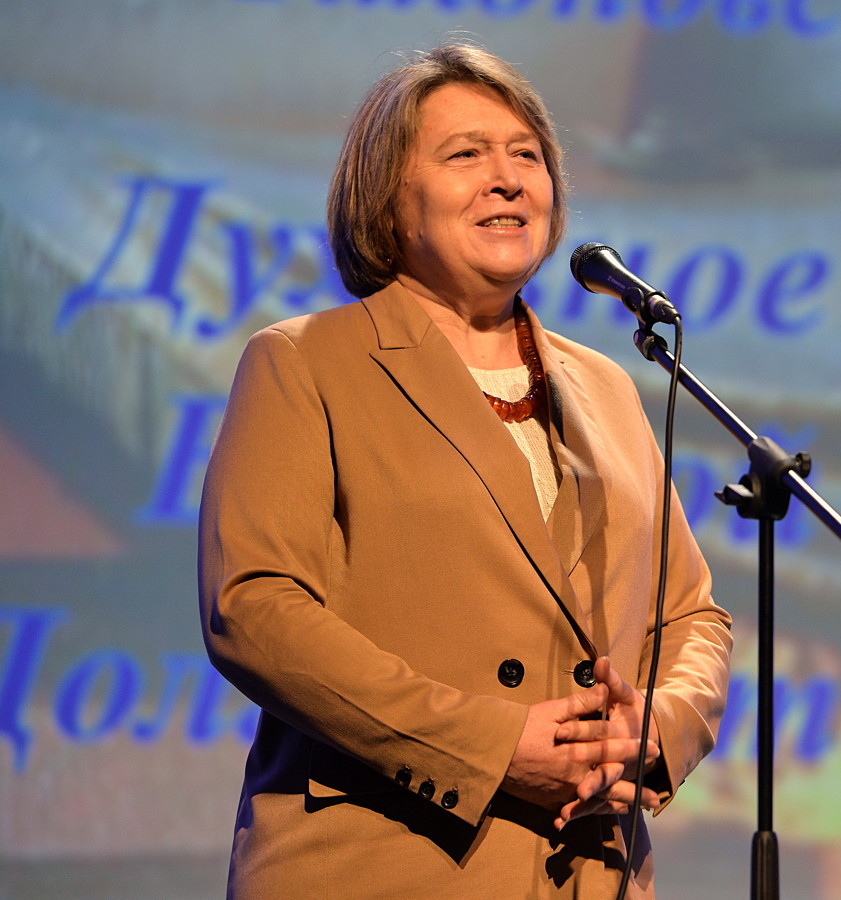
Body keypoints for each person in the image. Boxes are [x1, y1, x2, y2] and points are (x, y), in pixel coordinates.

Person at [198, 42, 732, 899]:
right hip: (387, 864)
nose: (508, 179)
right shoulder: (305, 363)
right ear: (388, 194)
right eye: (466, 155)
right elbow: (254, 609)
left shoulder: (608, 386)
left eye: (527, 155)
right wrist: (489, 747)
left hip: (589, 872)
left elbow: (691, 615)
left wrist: (658, 729)